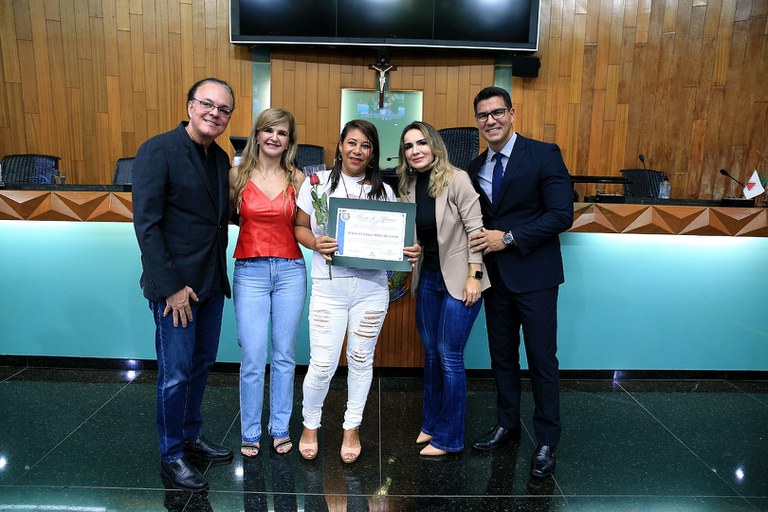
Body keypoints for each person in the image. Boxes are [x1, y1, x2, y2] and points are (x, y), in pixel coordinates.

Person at [294, 119, 420, 463]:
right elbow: (300, 226)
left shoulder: (384, 192)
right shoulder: (317, 184)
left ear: (373, 152)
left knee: (362, 361)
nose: (357, 151)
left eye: (366, 145)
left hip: (371, 290)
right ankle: (310, 424)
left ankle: (352, 427)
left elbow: (398, 242)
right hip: (329, 289)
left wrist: (409, 251)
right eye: (352, 143)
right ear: (340, 145)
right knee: (322, 364)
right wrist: (315, 243)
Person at [133, 77, 236, 491]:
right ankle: (171, 454)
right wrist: (171, 287)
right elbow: (148, 226)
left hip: (210, 284)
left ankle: (190, 435)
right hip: (176, 291)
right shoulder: (157, 150)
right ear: (190, 106)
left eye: (223, 109)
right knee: (174, 374)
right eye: (207, 104)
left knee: (200, 366)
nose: (215, 113)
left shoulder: (220, 158)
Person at [466, 86, 573, 478]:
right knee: (502, 357)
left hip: (536, 276)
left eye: (497, 112)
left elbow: (562, 215)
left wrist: (508, 238)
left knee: (542, 359)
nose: (490, 120)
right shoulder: (475, 167)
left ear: (512, 114)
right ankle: (507, 425)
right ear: (477, 122)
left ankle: (546, 440)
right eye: (483, 115)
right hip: (496, 279)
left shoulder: (544, 154)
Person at [394, 121, 490, 457]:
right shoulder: (407, 185)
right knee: (432, 354)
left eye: (421, 143)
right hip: (429, 279)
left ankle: (450, 438)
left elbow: (476, 232)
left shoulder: (457, 179)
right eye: (408, 146)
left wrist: (474, 276)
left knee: (449, 356)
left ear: (434, 145)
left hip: (461, 280)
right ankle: (432, 423)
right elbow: (417, 235)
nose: (415, 150)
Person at [229, 108, 307, 458]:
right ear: (257, 134)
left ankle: (280, 428)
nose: (275, 137)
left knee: (284, 355)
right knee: (253, 355)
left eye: (282, 133)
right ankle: (250, 431)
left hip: (291, 270)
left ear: (290, 141)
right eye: (269, 130)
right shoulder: (236, 176)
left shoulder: (299, 179)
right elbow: (229, 217)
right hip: (250, 271)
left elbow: (306, 226)